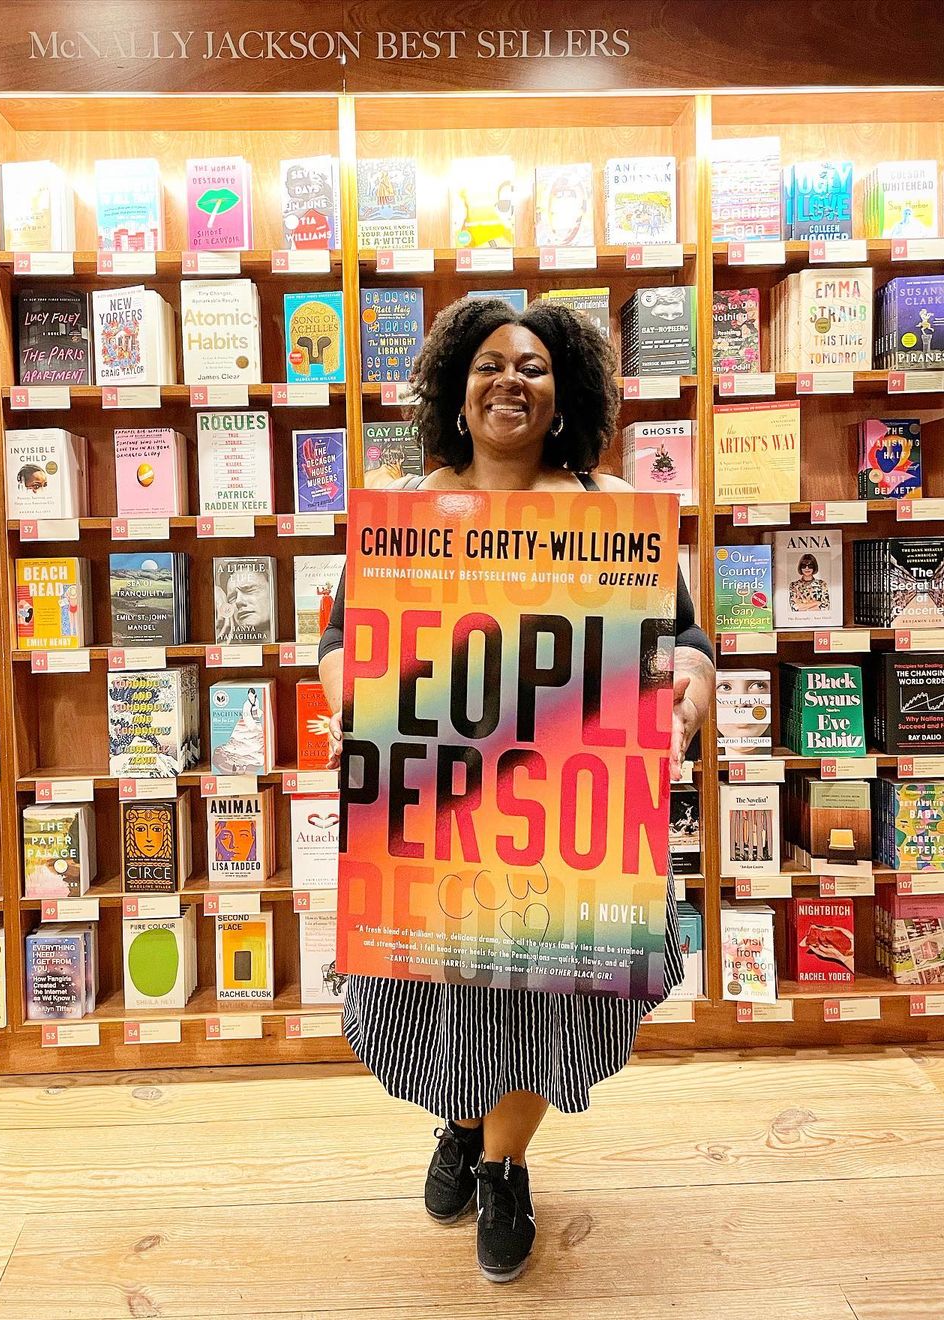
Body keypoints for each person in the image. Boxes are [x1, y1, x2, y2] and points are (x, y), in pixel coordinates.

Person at [317, 297, 715, 1284]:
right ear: (456, 392)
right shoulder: (408, 513)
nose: (510, 380)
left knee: (548, 1007)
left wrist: (691, 683)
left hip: (571, 822)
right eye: (489, 363)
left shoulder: (609, 509)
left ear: (563, 394)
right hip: (438, 817)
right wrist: (356, 705)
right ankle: (462, 1121)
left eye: (533, 367)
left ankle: (503, 1165)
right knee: (441, 1003)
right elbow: (340, 642)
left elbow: (684, 636)